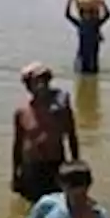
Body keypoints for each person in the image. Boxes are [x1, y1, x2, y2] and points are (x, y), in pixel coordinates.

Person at [12, 62, 80, 204]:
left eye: (44, 80)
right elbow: (17, 144)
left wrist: (76, 167)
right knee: (31, 211)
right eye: (36, 81)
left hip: (55, 166)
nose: (41, 85)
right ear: (28, 85)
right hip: (31, 168)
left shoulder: (61, 108)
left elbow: (72, 136)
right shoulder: (22, 111)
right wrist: (15, 174)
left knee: (58, 209)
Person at [64, 0, 110, 74]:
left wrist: (103, 4)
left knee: (92, 73)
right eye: (85, 13)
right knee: (80, 73)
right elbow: (67, 15)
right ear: (82, 14)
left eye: (89, 12)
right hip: (82, 54)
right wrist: (70, 1)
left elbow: (107, 15)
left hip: (92, 54)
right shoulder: (80, 24)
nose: (87, 14)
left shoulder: (96, 24)